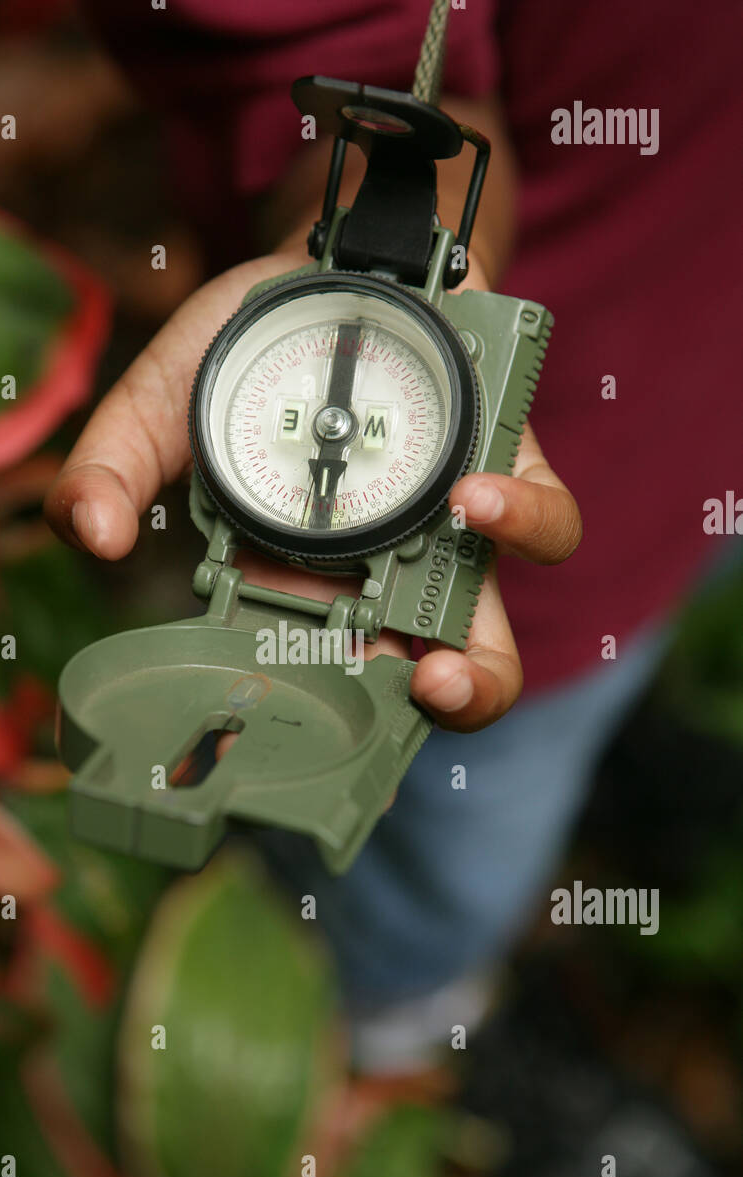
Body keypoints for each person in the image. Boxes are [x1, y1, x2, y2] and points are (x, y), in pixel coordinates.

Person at [45, 0, 742, 1090]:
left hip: (696, 417)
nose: (328, 428)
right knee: (450, 868)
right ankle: (382, 1030)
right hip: (543, 559)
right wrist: (384, 241)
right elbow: (394, 86)